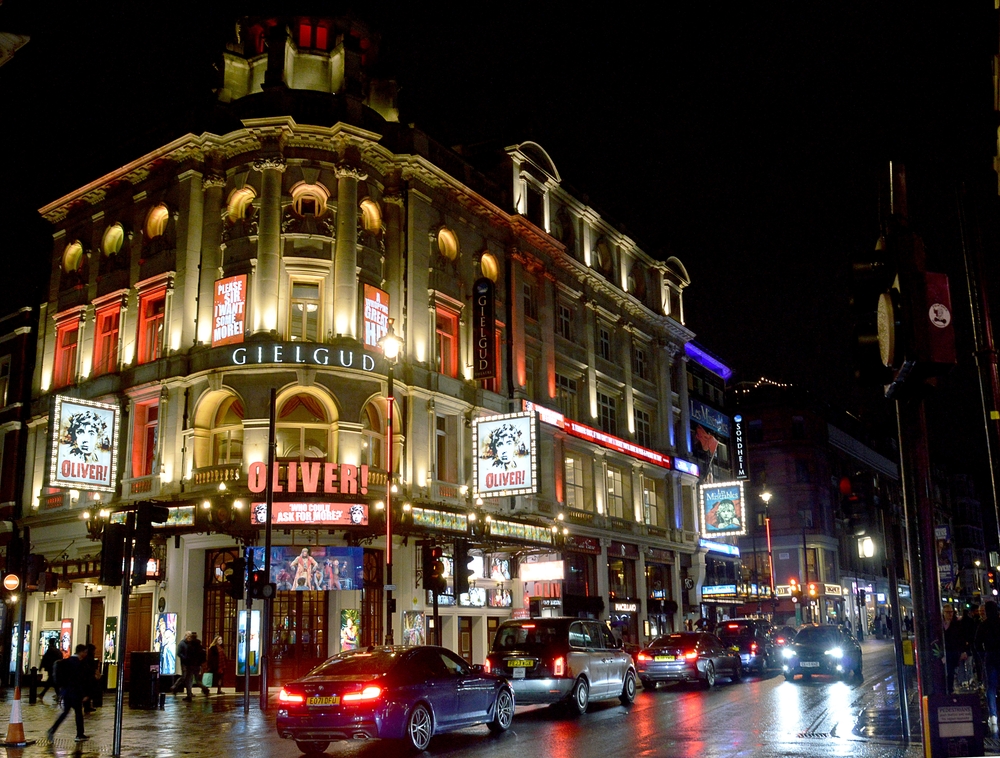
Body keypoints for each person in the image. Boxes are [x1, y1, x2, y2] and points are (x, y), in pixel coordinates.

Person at [46, 644, 89, 743]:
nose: (86, 654)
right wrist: (84, 694)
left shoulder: (67, 661)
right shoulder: (78, 663)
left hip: (66, 691)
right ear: (81, 652)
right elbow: (79, 680)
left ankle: (52, 730)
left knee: (66, 712)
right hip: (75, 692)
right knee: (78, 712)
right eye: (85, 652)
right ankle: (79, 734)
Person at [976, 601, 1000, 735]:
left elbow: (977, 643)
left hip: (990, 657)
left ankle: (993, 715)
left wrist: (982, 655)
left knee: (991, 687)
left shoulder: (983, 625)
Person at [943, 604, 969, 694]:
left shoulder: (957, 624)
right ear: (943, 613)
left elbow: (961, 638)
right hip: (943, 652)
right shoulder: (940, 625)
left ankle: (950, 690)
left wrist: (963, 651)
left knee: (951, 672)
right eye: (948, 612)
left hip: (953, 652)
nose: (950, 614)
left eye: (951, 612)